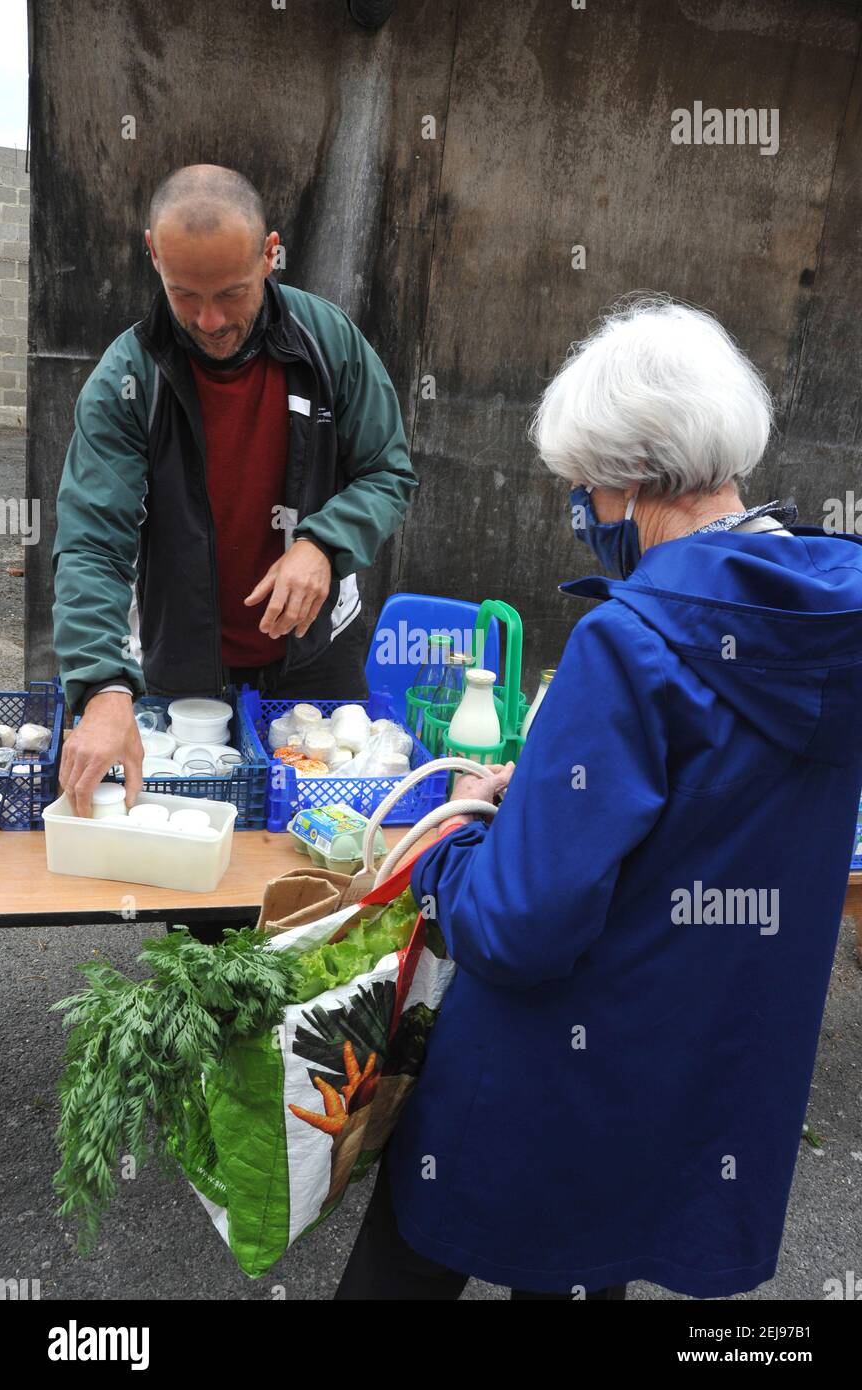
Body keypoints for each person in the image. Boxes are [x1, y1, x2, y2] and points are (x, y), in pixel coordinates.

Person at [335, 295, 862, 1300]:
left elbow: (520, 928)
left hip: (546, 1072)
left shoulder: (634, 640)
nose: (579, 510)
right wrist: (543, 795)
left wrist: (450, 844)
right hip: (693, 1075)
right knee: (593, 1263)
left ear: (629, 480)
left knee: (408, 1254)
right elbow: (706, 819)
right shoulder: (826, 628)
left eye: (581, 485)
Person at [52, 164, 418, 815]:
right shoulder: (127, 380)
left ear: (271, 255)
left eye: (233, 292)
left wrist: (323, 543)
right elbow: (91, 546)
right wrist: (104, 688)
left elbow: (387, 472)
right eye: (184, 293)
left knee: (330, 842)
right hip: (183, 652)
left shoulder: (329, 343)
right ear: (153, 255)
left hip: (319, 650)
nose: (211, 319)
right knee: (195, 847)